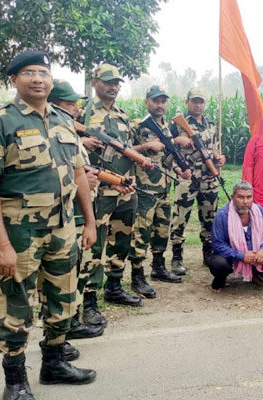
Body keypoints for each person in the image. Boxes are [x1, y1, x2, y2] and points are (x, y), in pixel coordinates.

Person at [0, 50, 97, 400]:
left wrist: (88, 222)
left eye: (44, 72)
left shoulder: (63, 120)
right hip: (19, 235)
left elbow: (78, 175)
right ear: (14, 79)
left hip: (63, 229)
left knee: (65, 301)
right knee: (16, 310)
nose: (38, 78)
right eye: (29, 72)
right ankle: (15, 383)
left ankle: (54, 363)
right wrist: (0, 244)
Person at [78, 64, 153, 319]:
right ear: (95, 82)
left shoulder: (122, 115)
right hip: (98, 192)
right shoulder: (82, 111)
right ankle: (88, 300)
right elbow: (59, 138)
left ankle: (114, 286)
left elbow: (128, 149)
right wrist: (82, 140)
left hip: (125, 189)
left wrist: (140, 159)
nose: (113, 87)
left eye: (117, 83)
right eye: (108, 82)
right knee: (95, 245)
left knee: (121, 240)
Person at [47, 80, 104, 341]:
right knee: (61, 276)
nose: (77, 109)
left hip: (78, 213)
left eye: (77, 104)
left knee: (77, 269)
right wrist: (80, 182)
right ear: (54, 104)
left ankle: (71, 320)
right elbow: (50, 176)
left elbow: (78, 170)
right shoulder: (51, 132)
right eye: (70, 104)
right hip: (59, 216)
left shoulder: (70, 133)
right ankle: (59, 332)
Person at [128, 86, 190, 289]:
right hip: (145, 189)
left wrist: (178, 171)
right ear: (147, 102)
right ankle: (137, 276)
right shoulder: (138, 126)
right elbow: (124, 150)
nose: (160, 105)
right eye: (156, 101)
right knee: (141, 232)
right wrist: (145, 146)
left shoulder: (166, 128)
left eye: (163, 101)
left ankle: (158, 267)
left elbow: (164, 158)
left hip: (164, 187)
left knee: (162, 229)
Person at [170, 87, 227, 275]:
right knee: (180, 217)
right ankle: (177, 256)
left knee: (209, 217)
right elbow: (166, 145)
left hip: (209, 178)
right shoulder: (178, 124)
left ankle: (208, 252)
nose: (198, 105)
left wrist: (219, 159)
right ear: (187, 102)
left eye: (201, 101)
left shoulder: (211, 124)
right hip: (187, 177)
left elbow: (215, 149)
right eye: (194, 101)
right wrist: (177, 139)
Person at [209, 181, 263, 292]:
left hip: (255, 253)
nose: (245, 202)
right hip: (232, 256)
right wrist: (241, 255)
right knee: (218, 263)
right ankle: (220, 280)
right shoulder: (222, 215)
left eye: (249, 197)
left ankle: (258, 276)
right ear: (232, 197)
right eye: (240, 197)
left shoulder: (259, 211)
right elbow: (217, 244)